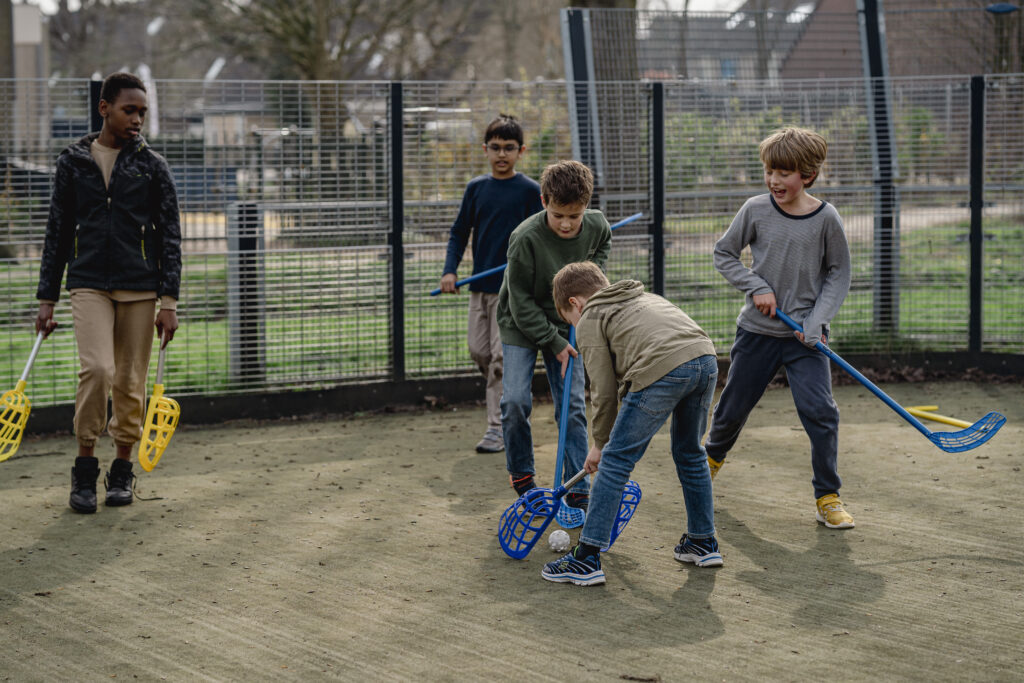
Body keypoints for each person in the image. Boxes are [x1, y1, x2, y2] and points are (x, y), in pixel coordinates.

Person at [35, 72, 182, 514]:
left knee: (129, 383)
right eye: (129, 110)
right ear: (105, 109)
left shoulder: (152, 166)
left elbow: (170, 235)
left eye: (142, 112)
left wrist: (169, 301)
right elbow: (57, 232)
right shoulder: (72, 162)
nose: (137, 119)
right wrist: (47, 299)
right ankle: (84, 471)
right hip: (87, 283)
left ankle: (121, 472)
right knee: (98, 371)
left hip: (140, 288)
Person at [705, 126, 854, 529]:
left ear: (807, 174)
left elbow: (839, 274)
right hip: (757, 333)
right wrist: (756, 286)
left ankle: (828, 495)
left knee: (821, 412)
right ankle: (707, 467)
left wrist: (817, 320)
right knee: (732, 409)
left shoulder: (826, 218)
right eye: (770, 171)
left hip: (805, 338)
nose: (774, 180)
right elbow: (725, 254)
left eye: (784, 173)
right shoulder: (755, 209)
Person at [540, 262, 722, 586]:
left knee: (614, 462)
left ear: (574, 304)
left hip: (662, 368)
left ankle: (586, 558)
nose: (573, 324)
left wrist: (599, 445)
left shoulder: (590, 318)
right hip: (705, 359)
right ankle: (702, 542)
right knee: (691, 452)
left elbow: (603, 391)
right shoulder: (643, 298)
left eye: (569, 320)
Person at [497, 160, 611, 511]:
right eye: (559, 214)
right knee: (515, 401)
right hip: (522, 322)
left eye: (574, 216)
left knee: (573, 405)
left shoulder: (596, 226)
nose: (566, 223)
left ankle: (576, 485)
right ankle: (523, 476)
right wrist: (554, 341)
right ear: (544, 200)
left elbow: (601, 252)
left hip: (568, 323)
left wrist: (582, 303)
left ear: (586, 207)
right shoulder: (525, 238)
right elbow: (520, 303)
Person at [438, 114, 543, 453]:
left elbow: (541, 236)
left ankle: (498, 429)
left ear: (521, 151)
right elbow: (458, 233)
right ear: (485, 149)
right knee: (479, 352)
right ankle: (513, 399)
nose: (501, 154)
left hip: (512, 291)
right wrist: (450, 270)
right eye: (495, 148)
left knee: (499, 358)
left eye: (509, 148)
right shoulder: (476, 189)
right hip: (479, 288)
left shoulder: (530, 191)